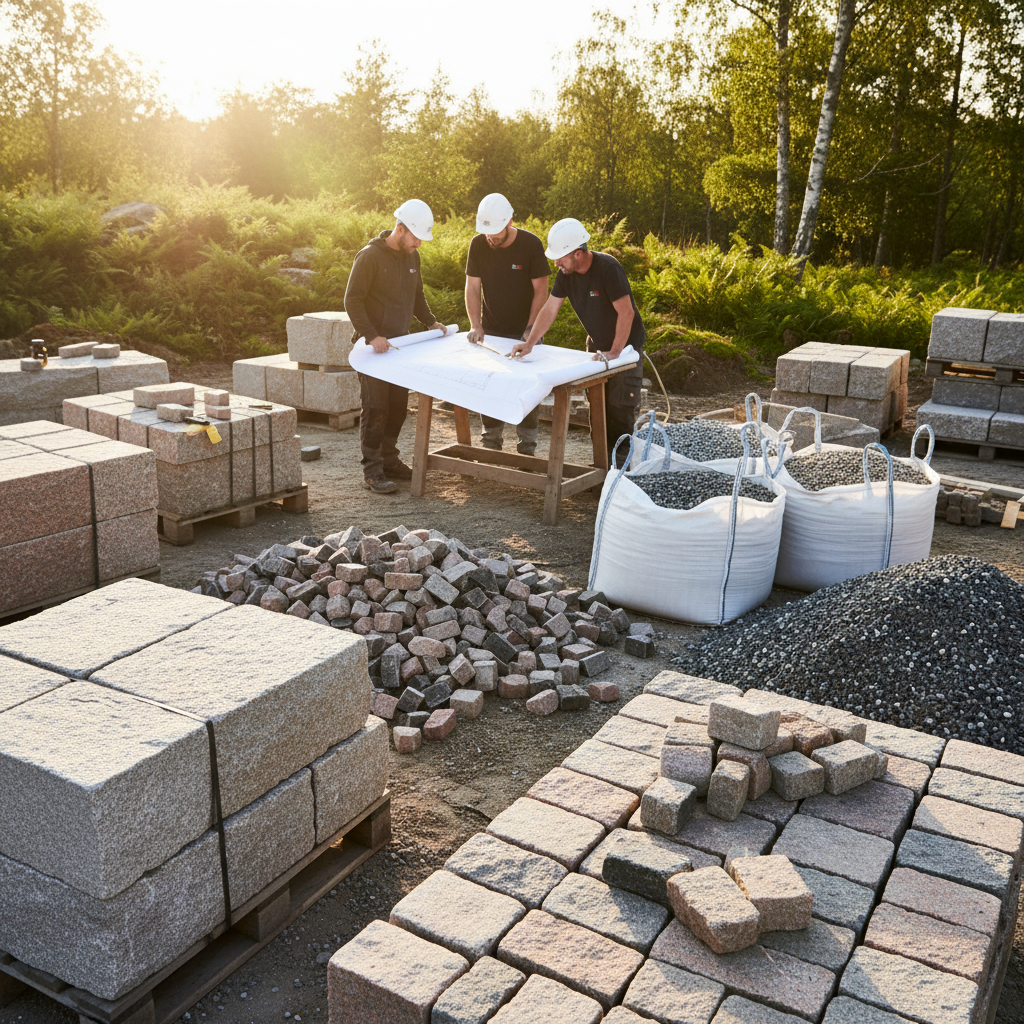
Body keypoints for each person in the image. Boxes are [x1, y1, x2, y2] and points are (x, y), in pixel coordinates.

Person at [511, 218, 644, 466]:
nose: (556, 262)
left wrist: (615, 352)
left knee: (619, 411)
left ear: (579, 254)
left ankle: (622, 474)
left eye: (561, 257)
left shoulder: (608, 269)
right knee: (597, 410)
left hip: (625, 350)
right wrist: (529, 342)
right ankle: (601, 468)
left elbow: (627, 313)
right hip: (596, 349)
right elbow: (550, 309)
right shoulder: (566, 275)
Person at [344, 199, 447, 494]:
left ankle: (390, 460)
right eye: (415, 237)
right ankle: (372, 470)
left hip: (401, 347)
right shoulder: (369, 257)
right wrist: (371, 334)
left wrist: (430, 322)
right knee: (375, 408)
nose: (419, 244)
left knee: (398, 408)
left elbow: (417, 297)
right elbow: (352, 300)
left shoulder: (412, 258)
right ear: (400, 229)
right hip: (373, 350)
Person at [465, 193, 550, 455]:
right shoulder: (478, 244)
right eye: (487, 233)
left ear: (509, 221)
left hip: (525, 330)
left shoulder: (530, 244)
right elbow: (472, 287)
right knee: (490, 382)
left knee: (527, 385)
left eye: (496, 233)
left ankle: (527, 444)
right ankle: (491, 440)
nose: (490, 238)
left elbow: (541, 290)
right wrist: (476, 325)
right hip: (491, 329)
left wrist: (530, 331)